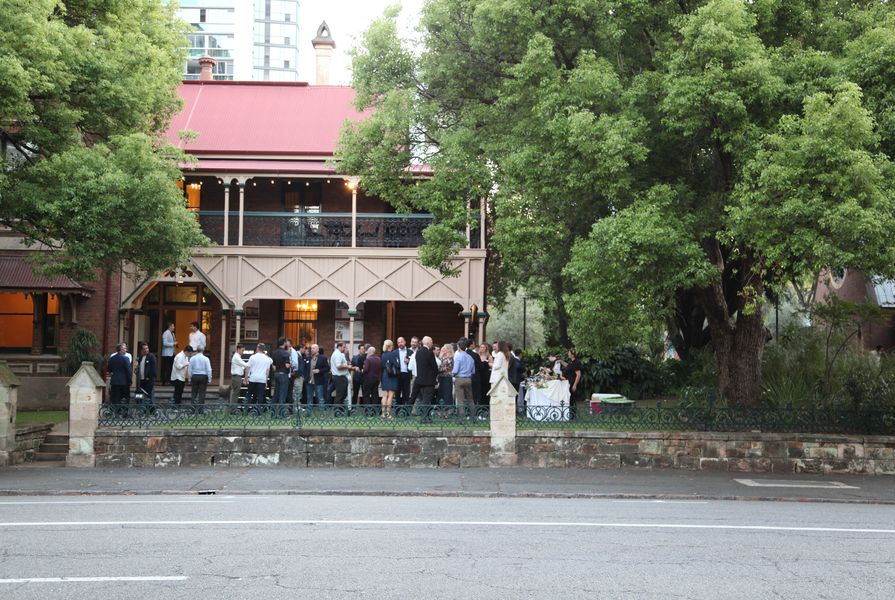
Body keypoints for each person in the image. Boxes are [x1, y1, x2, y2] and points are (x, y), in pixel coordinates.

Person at [412, 336, 439, 421]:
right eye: (431, 342)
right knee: (426, 400)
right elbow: (435, 367)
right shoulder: (430, 353)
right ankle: (424, 418)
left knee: (424, 399)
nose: (432, 343)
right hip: (429, 381)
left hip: (420, 380)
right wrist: (437, 373)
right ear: (428, 343)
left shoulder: (418, 352)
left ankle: (426, 416)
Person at [452, 338, 476, 418]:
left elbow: (455, 370)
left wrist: (452, 374)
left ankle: (461, 417)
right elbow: (473, 371)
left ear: (458, 347)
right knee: (470, 399)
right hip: (468, 379)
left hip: (459, 379)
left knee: (460, 399)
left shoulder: (458, 357)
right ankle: (473, 416)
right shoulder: (470, 357)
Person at [271, 337, 292, 417]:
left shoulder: (275, 352)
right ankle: (282, 414)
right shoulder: (285, 353)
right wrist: (291, 365)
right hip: (283, 375)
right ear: (284, 343)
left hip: (276, 374)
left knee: (276, 395)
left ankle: (273, 414)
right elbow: (287, 366)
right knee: (282, 395)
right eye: (286, 342)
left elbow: (274, 366)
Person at [108, 343, 132, 414]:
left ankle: (117, 412)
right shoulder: (126, 358)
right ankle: (125, 413)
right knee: (125, 398)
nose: (126, 350)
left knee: (115, 398)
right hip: (124, 382)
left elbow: (109, 369)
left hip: (115, 382)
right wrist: (130, 381)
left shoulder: (112, 358)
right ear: (121, 349)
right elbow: (128, 371)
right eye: (124, 348)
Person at [305, 344, 329, 413]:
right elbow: (305, 368)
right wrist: (305, 377)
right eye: (311, 348)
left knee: (320, 397)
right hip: (309, 381)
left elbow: (327, 368)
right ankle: (308, 412)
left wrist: (319, 371)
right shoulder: (308, 358)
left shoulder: (323, 358)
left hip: (318, 381)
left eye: (314, 348)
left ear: (318, 349)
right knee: (309, 397)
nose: (312, 349)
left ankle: (322, 412)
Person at [380, 339, 399, 418]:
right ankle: (388, 414)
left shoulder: (383, 355)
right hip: (392, 375)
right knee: (390, 395)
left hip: (385, 374)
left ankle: (383, 413)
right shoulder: (393, 354)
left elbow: (382, 365)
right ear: (391, 346)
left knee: (385, 395)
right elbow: (397, 365)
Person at [561, 348, 583, 417]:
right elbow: (568, 366)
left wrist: (575, 385)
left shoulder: (577, 362)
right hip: (569, 382)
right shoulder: (571, 362)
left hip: (573, 383)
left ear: (573, 355)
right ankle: (570, 413)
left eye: (569, 353)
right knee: (570, 398)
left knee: (572, 399)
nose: (568, 354)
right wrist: (561, 361)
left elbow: (578, 375)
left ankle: (573, 415)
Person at [330, 341, 351, 411]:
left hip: (339, 376)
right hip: (339, 377)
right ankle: (337, 411)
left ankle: (340, 409)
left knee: (342, 394)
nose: (344, 349)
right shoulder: (337, 354)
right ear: (339, 346)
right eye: (343, 347)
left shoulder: (338, 354)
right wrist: (348, 366)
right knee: (340, 394)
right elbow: (338, 366)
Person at [135, 341, 157, 405]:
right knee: (141, 395)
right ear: (141, 350)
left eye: (147, 348)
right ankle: (143, 409)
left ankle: (152, 411)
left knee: (150, 395)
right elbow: (138, 368)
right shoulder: (141, 357)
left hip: (149, 380)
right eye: (144, 349)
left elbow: (153, 369)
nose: (146, 350)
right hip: (142, 380)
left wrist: (149, 377)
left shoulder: (151, 356)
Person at [396, 336, 413, 406]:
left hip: (406, 374)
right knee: (397, 392)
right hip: (398, 374)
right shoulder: (394, 352)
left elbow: (413, 363)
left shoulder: (410, 352)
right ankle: (398, 410)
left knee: (406, 392)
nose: (400, 344)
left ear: (405, 342)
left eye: (401, 342)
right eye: (398, 342)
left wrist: (409, 362)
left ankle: (405, 410)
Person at [438, 343, 455, 409]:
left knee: (447, 394)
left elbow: (446, 368)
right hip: (441, 377)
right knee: (440, 393)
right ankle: (440, 410)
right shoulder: (442, 357)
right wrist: (440, 356)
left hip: (447, 378)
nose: (442, 349)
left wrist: (438, 369)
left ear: (448, 349)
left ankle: (448, 410)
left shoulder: (450, 358)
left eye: (444, 348)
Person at [477, 342, 493, 408]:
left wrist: (488, 363)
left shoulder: (489, 356)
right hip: (479, 375)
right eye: (481, 347)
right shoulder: (477, 356)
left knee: (485, 391)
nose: (482, 348)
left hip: (486, 376)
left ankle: (486, 407)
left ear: (486, 348)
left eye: (483, 347)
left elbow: (492, 366)